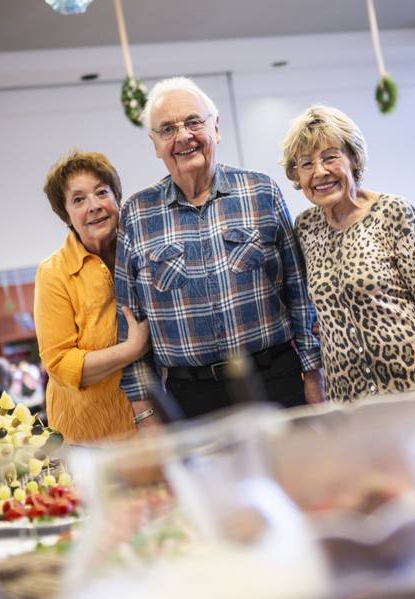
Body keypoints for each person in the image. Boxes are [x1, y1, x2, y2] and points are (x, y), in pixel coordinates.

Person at [114, 77, 322, 421]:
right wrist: (145, 412)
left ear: (216, 127)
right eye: (167, 129)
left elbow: (299, 293)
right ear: (155, 144)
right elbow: (129, 322)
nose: (183, 136)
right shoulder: (136, 214)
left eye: (193, 122)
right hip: (190, 398)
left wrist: (314, 375)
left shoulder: (262, 191)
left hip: (274, 380)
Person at [279, 104, 415, 403]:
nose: (319, 172)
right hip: (347, 394)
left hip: (410, 384)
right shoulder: (305, 227)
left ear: (354, 158)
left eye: (330, 157)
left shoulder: (393, 212)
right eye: (306, 164)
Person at [34, 150, 151, 443]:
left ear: (117, 198)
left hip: (154, 420)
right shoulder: (54, 273)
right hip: (87, 437)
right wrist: (132, 349)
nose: (94, 206)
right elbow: (60, 364)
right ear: (66, 215)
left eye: (101, 192)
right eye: (78, 200)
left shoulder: (145, 251)